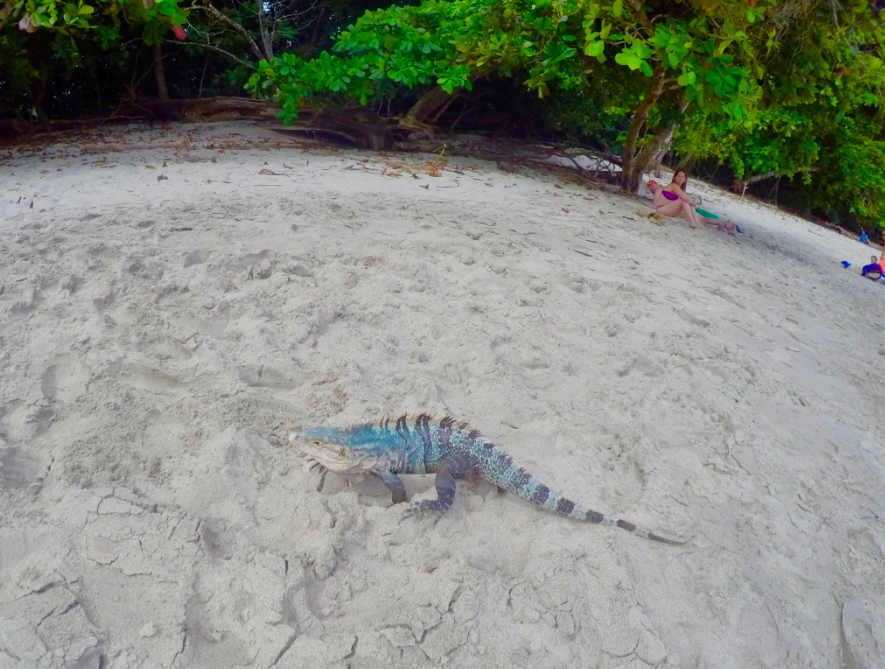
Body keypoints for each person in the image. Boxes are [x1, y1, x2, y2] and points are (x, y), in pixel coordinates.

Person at [648, 172, 739, 234]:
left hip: (677, 209)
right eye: (650, 187)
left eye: (652, 185)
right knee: (699, 216)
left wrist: (692, 202)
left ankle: (723, 224)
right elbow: (655, 205)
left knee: (702, 218)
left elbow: (681, 197)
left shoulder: (664, 189)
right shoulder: (664, 190)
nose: (652, 188)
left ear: (657, 184)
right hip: (670, 209)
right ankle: (697, 223)